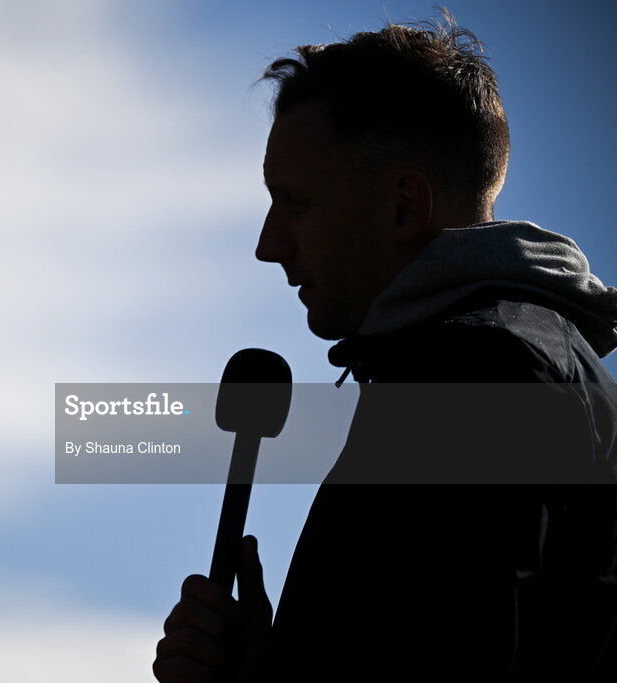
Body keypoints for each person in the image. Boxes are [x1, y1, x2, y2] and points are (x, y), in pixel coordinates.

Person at [153, 11, 617, 680]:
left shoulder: (478, 376)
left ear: (403, 205)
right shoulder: (507, 363)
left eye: (295, 202)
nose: (268, 243)